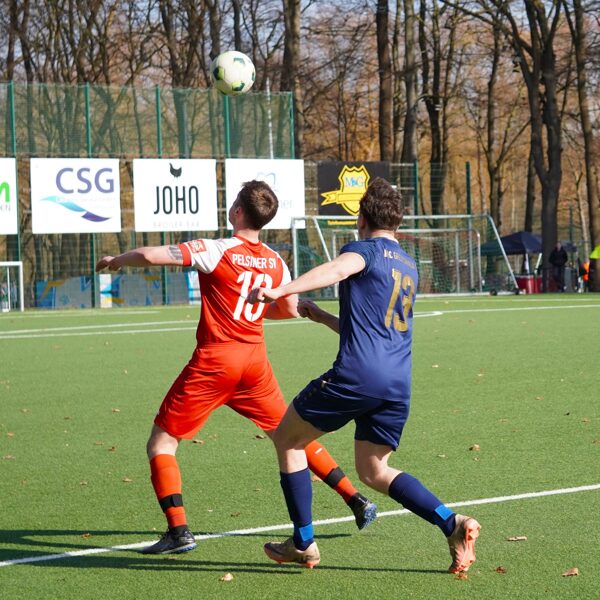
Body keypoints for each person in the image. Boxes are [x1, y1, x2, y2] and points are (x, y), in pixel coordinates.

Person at [95, 180, 376, 555]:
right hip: (254, 364)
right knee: (290, 435)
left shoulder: (215, 249)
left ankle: (178, 531)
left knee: (161, 443)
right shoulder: (275, 261)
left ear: (237, 212)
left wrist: (117, 260)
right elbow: (285, 309)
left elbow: (149, 256)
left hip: (216, 362)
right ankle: (355, 498)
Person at [247, 177, 480, 573]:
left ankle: (303, 542)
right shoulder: (408, 265)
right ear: (398, 223)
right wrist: (324, 318)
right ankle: (452, 522)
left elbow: (338, 269)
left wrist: (279, 290)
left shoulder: (363, 251)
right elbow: (375, 329)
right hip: (396, 383)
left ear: (362, 219)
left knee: (287, 439)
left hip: (357, 377)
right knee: (374, 470)